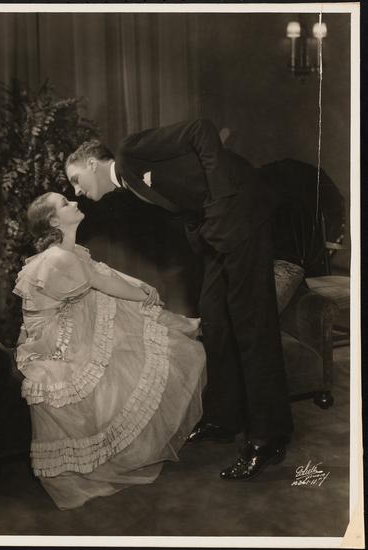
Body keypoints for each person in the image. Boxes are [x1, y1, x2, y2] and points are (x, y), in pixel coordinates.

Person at [65, 118, 294, 480]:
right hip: (220, 231)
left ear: (92, 163)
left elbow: (200, 131)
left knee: (251, 324)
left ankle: (268, 437)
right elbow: (186, 191)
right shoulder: (129, 184)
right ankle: (225, 419)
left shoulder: (130, 152)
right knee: (214, 320)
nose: (77, 192)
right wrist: (202, 227)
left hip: (243, 213)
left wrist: (221, 200)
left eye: (76, 180)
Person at [13, 192, 206, 509]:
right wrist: (146, 296)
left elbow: (102, 271)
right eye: (65, 204)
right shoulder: (57, 258)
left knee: (112, 304)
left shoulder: (70, 251)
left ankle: (172, 331)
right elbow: (101, 282)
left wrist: (143, 286)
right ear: (54, 221)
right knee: (111, 304)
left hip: (68, 321)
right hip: (53, 342)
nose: (75, 203)